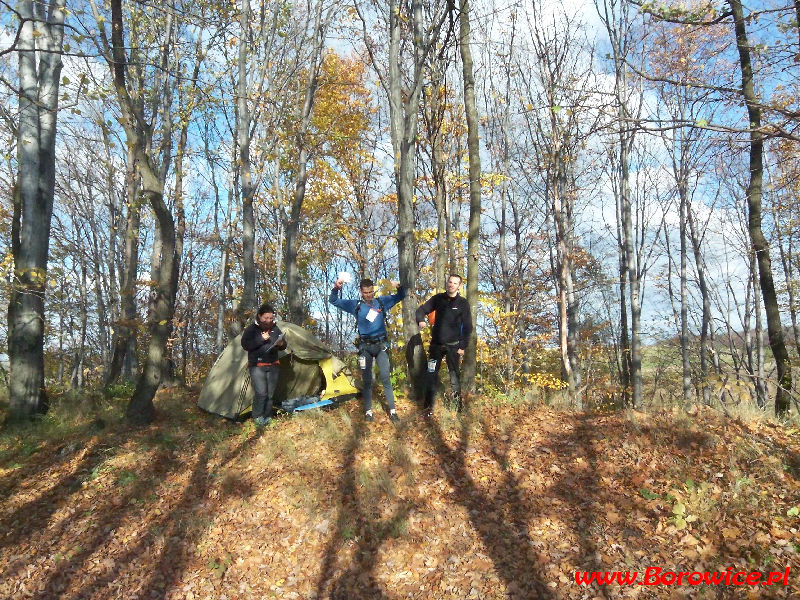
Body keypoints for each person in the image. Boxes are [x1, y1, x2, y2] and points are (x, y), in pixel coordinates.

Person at [329, 277, 405, 423]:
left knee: (385, 378)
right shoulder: (355, 305)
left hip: (381, 346)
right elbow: (334, 301)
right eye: (366, 292)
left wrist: (399, 287)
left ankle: (393, 411)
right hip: (365, 348)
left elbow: (401, 296)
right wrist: (336, 287)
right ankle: (369, 412)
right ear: (361, 292)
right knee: (367, 381)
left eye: (371, 292)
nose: (369, 295)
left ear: (373, 290)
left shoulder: (381, 302)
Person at [416, 274, 473, 417]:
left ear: (459, 286)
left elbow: (468, 327)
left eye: (455, 283)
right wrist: (420, 320)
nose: (451, 285)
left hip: (453, 346)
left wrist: (462, 346)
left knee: (454, 378)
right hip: (436, 345)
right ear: (447, 283)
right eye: (450, 282)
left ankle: (458, 408)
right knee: (431, 376)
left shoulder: (463, 303)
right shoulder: (438, 299)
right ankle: (428, 409)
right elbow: (421, 310)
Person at [241, 303, 287, 426]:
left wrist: (281, 344)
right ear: (260, 316)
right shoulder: (251, 329)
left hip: (273, 365)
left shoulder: (275, 329)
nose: (268, 320)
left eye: (271, 318)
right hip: (257, 366)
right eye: (266, 318)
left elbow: (284, 346)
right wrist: (261, 339)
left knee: (270, 394)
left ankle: (267, 417)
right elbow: (245, 345)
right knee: (261, 393)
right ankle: (257, 416)